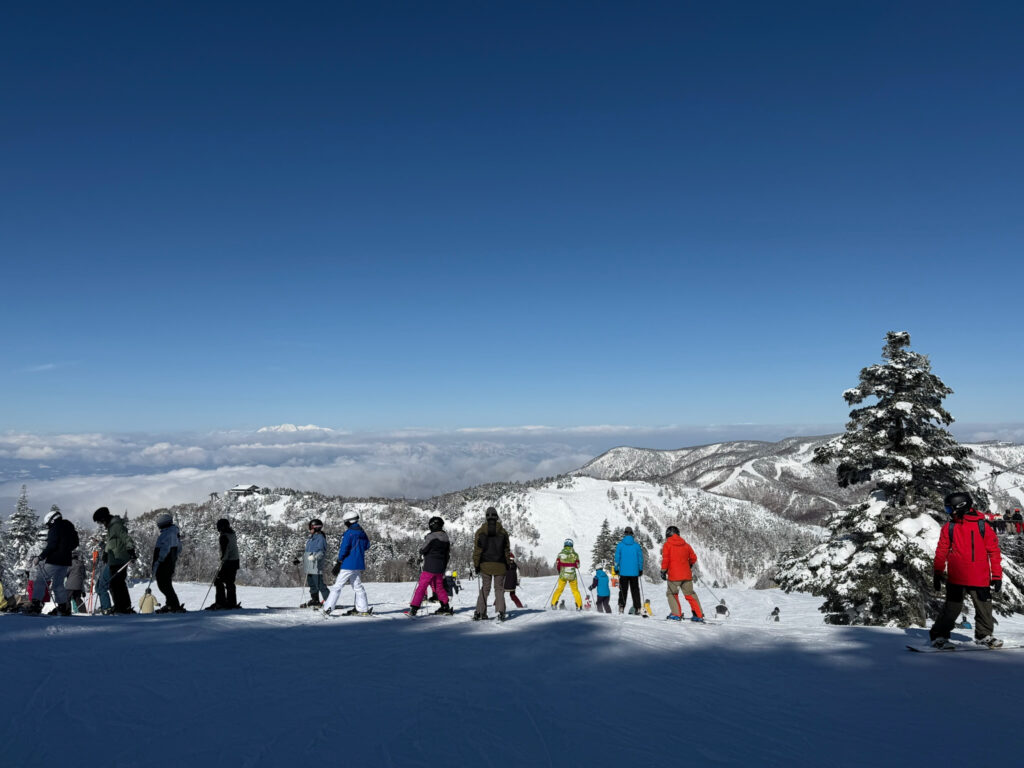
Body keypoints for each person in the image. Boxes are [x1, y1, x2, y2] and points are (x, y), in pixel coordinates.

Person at [929, 491, 1003, 649]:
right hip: (957, 577)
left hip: (980, 577)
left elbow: (994, 552)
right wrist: (937, 573)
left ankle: (984, 635)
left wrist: (997, 575)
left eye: (950, 509)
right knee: (951, 609)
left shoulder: (983, 526)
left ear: (961, 507)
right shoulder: (950, 527)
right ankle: (939, 636)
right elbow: (941, 551)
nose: (948, 513)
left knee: (984, 609)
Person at [322, 509, 371, 616]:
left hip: (347, 563)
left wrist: (339, 561)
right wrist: (358, 551)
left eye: (345, 522)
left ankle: (328, 608)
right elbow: (367, 545)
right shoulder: (362, 532)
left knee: (337, 586)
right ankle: (363, 609)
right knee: (358, 586)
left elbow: (344, 548)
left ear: (349, 521)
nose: (345, 524)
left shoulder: (349, 533)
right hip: (358, 564)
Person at [93, 506, 136, 614]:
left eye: (100, 522)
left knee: (117, 583)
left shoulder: (116, 525)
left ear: (103, 519)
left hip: (119, 558)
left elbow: (126, 538)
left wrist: (131, 550)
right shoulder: (111, 527)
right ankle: (122, 606)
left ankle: (123, 607)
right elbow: (111, 543)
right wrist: (106, 553)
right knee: (115, 583)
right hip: (114, 558)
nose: (101, 524)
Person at [406, 516, 453, 616]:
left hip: (430, 567)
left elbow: (424, 549)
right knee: (439, 587)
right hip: (440, 567)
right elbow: (447, 554)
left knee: (422, 586)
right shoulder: (446, 538)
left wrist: (420, 552)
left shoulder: (431, 537)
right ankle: (445, 606)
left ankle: (414, 609)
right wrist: (443, 566)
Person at [472, 507, 511, 621]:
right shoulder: (503, 532)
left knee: (485, 588)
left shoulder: (480, 532)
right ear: (496, 516)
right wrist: (508, 563)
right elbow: (506, 550)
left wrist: (476, 564)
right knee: (499, 588)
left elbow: (477, 550)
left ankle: (480, 612)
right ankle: (501, 612)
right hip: (500, 565)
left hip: (485, 565)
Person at [660, 525, 704, 622]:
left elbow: (666, 560)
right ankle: (699, 615)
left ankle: (676, 614)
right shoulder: (686, 545)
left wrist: (663, 571)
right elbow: (693, 558)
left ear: (668, 535)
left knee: (672, 593)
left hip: (674, 576)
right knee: (690, 594)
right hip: (687, 575)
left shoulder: (667, 545)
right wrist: (689, 564)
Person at [151, 512, 185, 613]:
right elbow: (179, 548)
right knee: (165, 584)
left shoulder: (168, 534)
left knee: (163, 584)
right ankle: (171, 604)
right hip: (169, 562)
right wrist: (173, 557)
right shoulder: (173, 532)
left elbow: (164, 549)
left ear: (162, 523)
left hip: (164, 563)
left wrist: (159, 560)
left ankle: (173, 605)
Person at [207, 518, 241, 610]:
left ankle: (220, 602)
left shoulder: (224, 536)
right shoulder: (232, 534)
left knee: (218, 581)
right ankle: (231, 603)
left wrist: (223, 560)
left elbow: (225, 550)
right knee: (230, 582)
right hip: (235, 561)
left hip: (228, 562)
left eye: (218, 526)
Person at [614, 526, 644, 615]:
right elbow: (640, 559)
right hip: (634, 572)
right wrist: (640, 569)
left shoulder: (620, 545)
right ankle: (638, 607)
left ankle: (621, 607)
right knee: (635, 590)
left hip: (623, 572)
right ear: (632, 534)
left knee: (623, 590)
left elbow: (617, 558)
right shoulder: (636, 546)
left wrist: (616, 568)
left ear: (624, 534)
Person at [302, 518, 330, 608]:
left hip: (316, 566)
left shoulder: (320, 538)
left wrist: (315, 557)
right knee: (312, 585)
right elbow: (307, 553)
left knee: (320, 584)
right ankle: (315, 600)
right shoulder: (311, 539)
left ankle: (330, 601)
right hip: (309, 566)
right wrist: (298, 559)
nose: (309, 529)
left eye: (310, 527)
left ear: (315, 527)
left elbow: (321, 552)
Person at [550, 539, 583, 610]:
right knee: (575, 591)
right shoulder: (575, 554)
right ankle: (579, 605)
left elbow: (557, 565)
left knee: (559, 589)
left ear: (564, 545)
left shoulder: (560, 554)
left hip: (563, 575)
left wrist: (559, 571)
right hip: (572, 576)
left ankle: (553, 603)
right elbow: (578, 566)